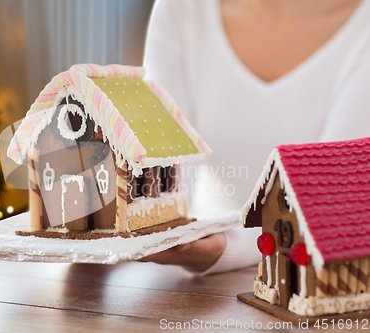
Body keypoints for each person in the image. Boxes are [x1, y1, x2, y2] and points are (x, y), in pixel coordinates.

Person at [141, 0, 370, 274]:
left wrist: (228, 246)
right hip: (187, 281)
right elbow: (165, 182)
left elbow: (330, 206)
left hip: (308, 280)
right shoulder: (182, 9)